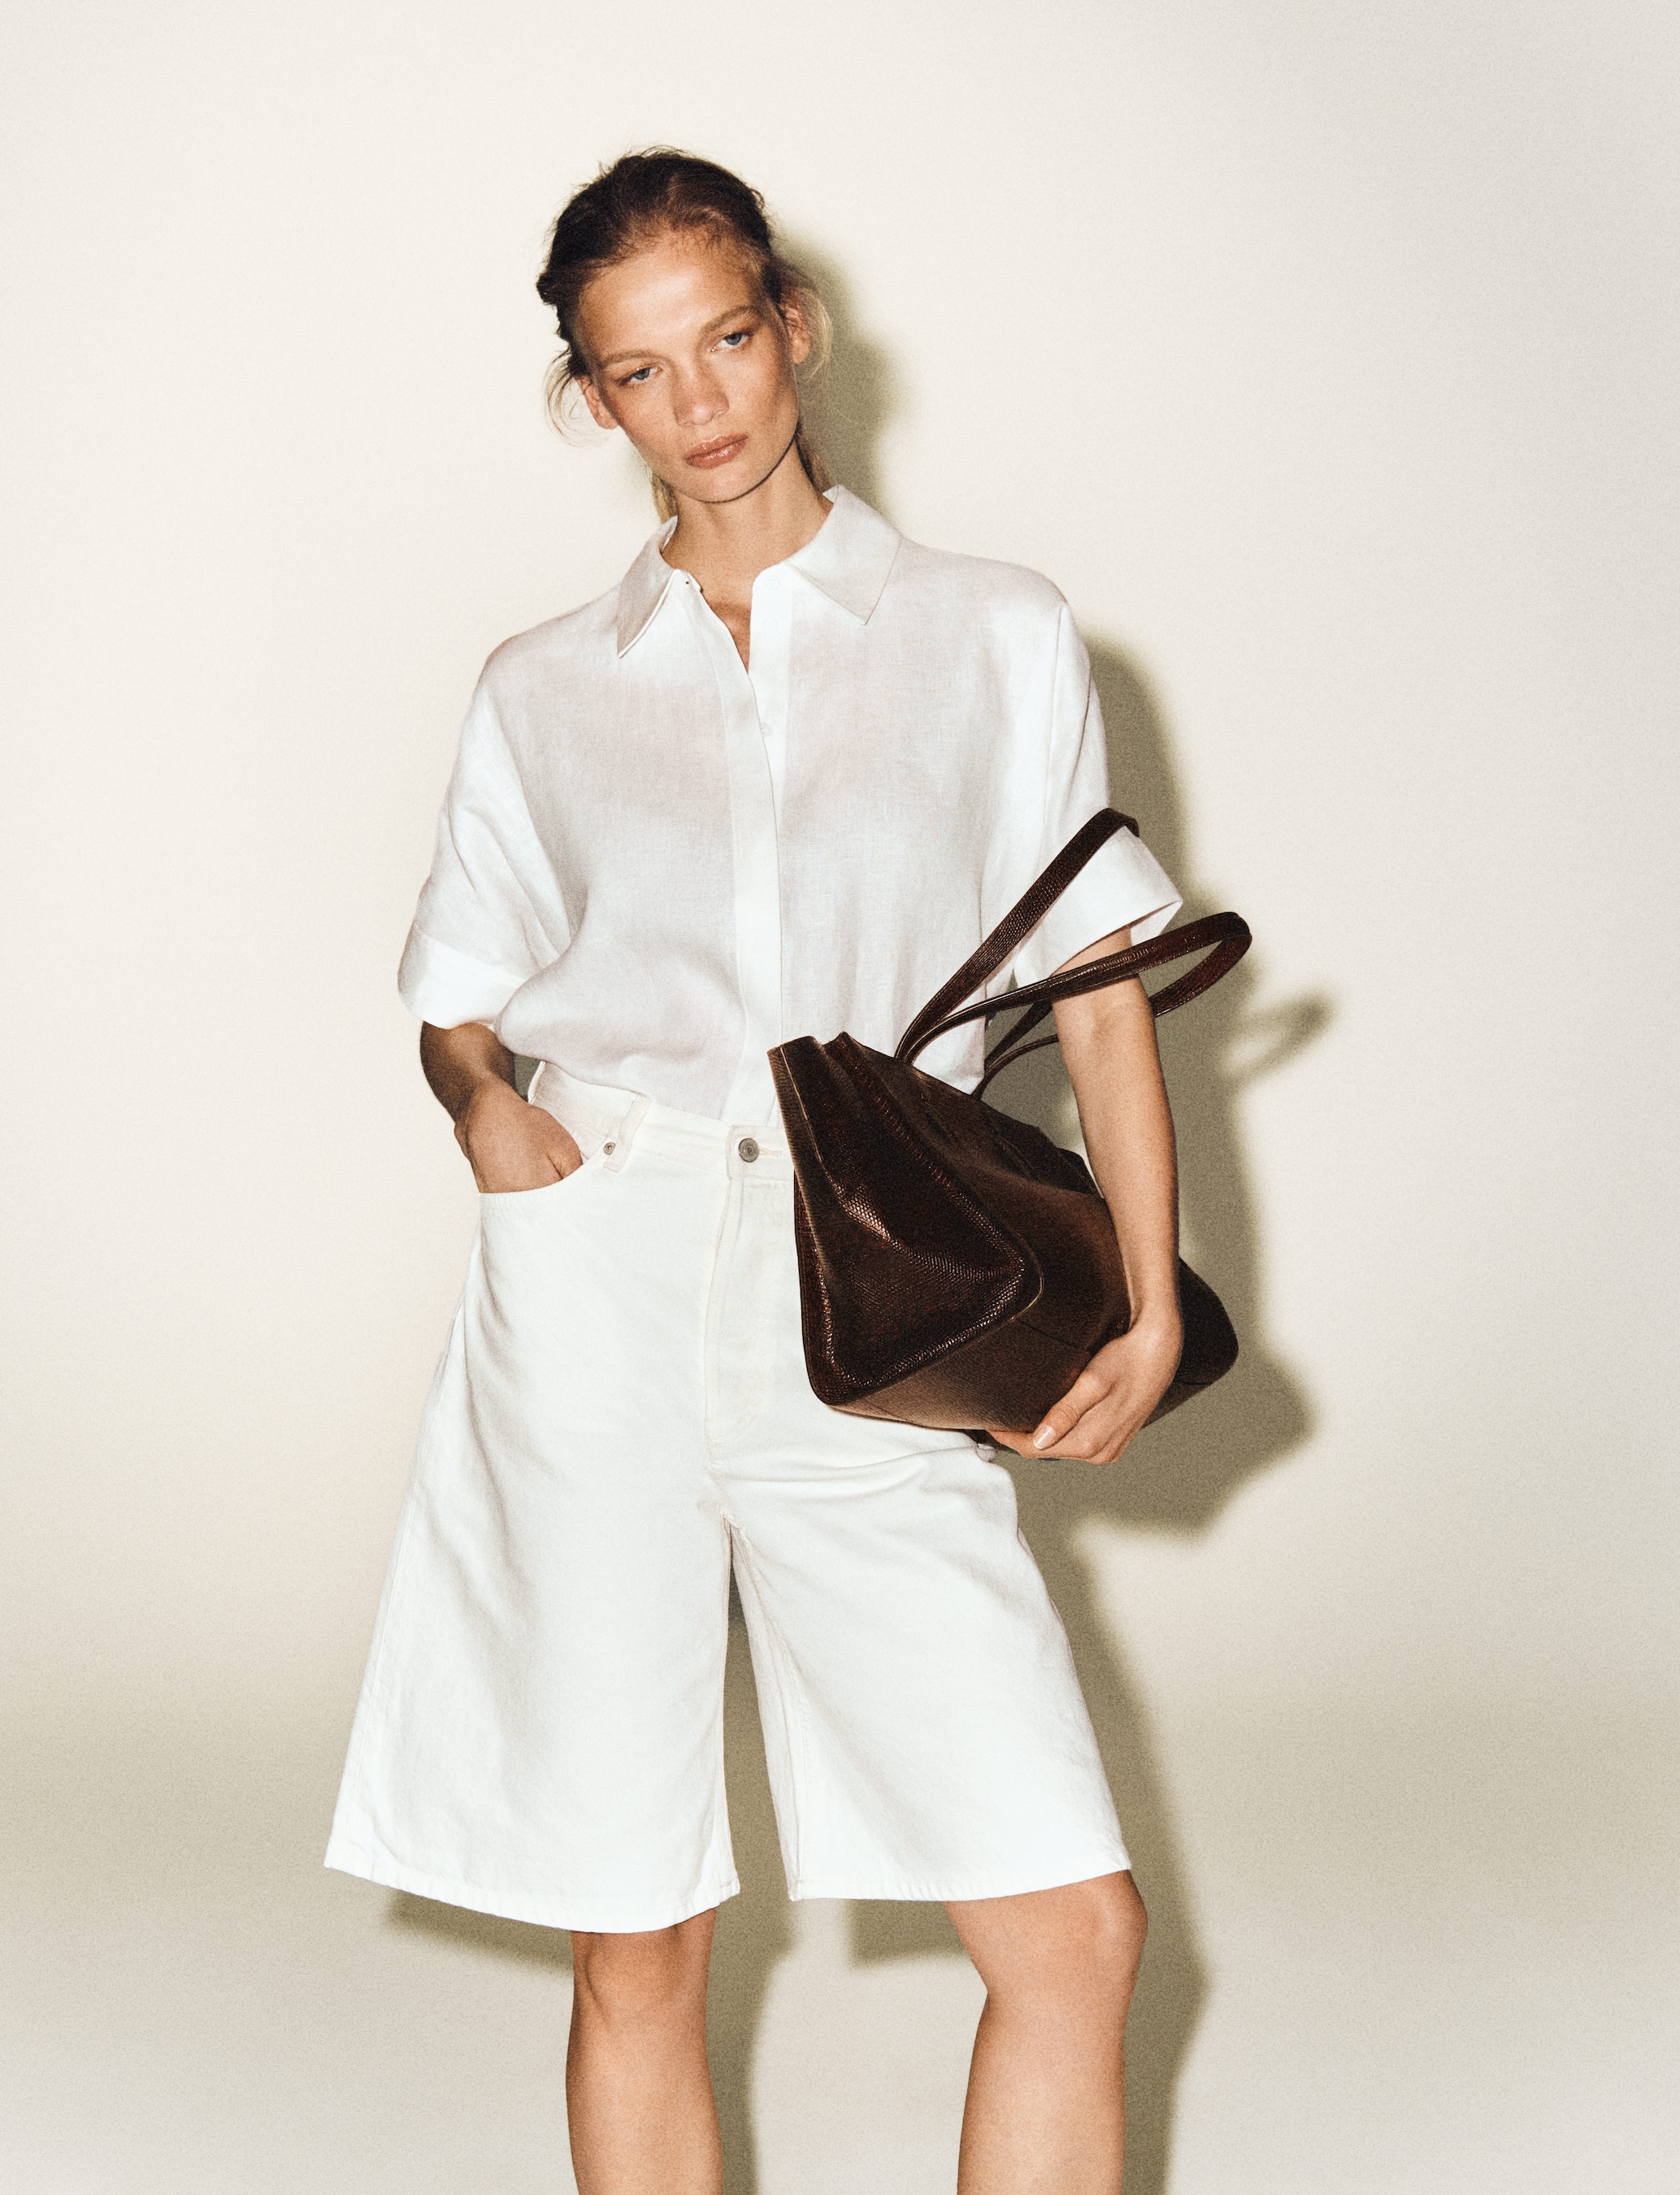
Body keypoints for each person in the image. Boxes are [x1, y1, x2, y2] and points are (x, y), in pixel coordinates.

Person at [328, 150, 1188, 2195]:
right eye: (639, 371)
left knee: (1071, 1932)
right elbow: (457, 1004)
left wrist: (1152, 1303)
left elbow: (1098, 997)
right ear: (593, 399)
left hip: (869, 1306)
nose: (698, 401)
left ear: (795, 324)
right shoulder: (544, 686)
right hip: (598, 1294)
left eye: (724, 338)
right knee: (636, 1930)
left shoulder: (991, 632)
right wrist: (485, 1109)